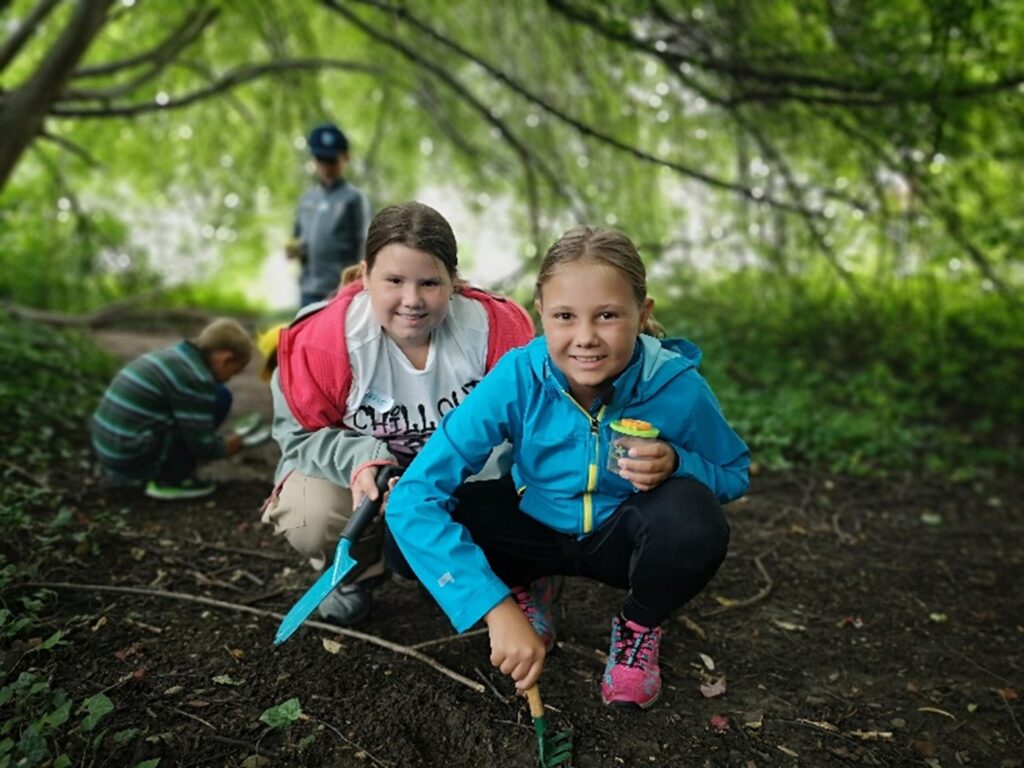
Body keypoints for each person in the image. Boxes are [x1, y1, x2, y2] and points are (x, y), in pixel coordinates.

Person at [385, 226, 750, 709]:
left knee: (693, 516)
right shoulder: (519, 375)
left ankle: (638, 628)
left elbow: (733, 472)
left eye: (607, 316)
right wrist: (492, 607)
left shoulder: (676, 386)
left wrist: (679, 462)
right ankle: (521, 590)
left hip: (623, 538)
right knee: (401, 538)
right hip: (533, 526)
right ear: (541, 314)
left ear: (643, 315)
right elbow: (415, 493)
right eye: (564, 316)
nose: (585, 338)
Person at [261, 201, 534, 626]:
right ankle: (360, 572)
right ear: (366, 275)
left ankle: (491, 572)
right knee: (307, 512)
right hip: (364, 486)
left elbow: (533, 425)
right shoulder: (323, 343)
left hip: (465, 481)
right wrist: (359, 459)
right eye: (393, 280)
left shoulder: (495, 335)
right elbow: (297, 436)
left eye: (429, 283)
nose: (411, 300)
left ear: (454, 282)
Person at [90, 318, 254, 501]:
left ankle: (140, 472)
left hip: (109, 449)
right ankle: (171, 479)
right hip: (128, 456)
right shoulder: (196, 377)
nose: (231, 377)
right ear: (226, 359)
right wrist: (224, 447)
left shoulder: (177, 357)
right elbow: (200, 443)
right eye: (235, 370)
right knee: (221, 397)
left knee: (218, 394)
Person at [286, 121, 372, 308]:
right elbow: (297, 238)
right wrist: (294, 250)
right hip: (308, 289)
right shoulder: (307, 199)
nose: (326, 166)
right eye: (320, 159)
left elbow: (363, 244)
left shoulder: (354, 199)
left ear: (345, 158)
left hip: (340, 291)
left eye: (332, 160)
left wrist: (358, 285)